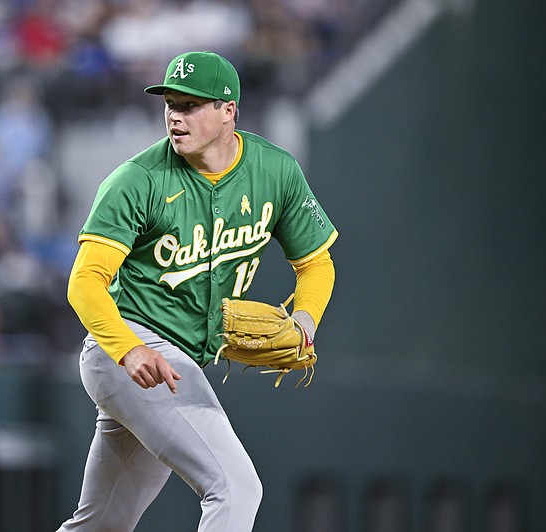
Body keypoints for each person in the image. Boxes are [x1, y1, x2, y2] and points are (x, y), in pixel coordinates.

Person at [59, 50, 338, 531]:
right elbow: (84, 282)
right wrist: (128, 351)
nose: (175, 114)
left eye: (190, 105)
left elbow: (316, 264)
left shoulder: (275, 172)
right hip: (126, 347)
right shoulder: (138, 180)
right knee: (236, 486)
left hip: (175, 360)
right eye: (170, 102)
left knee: (102, 524)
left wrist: (306, 322)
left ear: (228, 111)